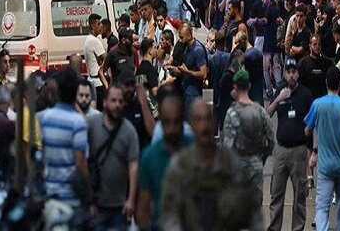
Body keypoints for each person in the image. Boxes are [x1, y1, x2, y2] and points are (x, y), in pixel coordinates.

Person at [161, 100, 261, 231]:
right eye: (198, 119)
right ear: (191, 124)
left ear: (214, 122)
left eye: (208, 119)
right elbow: (169, 215)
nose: (204, 126)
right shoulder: (179, 165)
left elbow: (252, 213)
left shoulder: (232, 163)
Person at [304, 66, 340, 231]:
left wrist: (314, 150)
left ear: (326, 82)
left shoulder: (317, 105)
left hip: (325, 167)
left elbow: (307, 129)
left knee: (322, 207)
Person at [266, 58, 312, 231]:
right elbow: (267, 114)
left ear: (298, 74)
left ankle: (297, 228)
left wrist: (312, 150)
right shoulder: (280, 91)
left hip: (299, 151)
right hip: (280, 150)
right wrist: (278, 98)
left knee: (300, 195)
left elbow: (312, 122)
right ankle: (274, 228)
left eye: (294, 72)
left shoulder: (305, 94)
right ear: (284, 74)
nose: (291, 75)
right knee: (276, 194)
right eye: (288, 72)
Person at [137, 95, 193, 231]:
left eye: (176, 122)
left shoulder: (195, 149)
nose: (172, 128)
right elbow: (143, 208)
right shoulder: (149, 157)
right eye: (167, 122)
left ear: (183, 122)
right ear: (161, 122)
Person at [87, 84, 139, 228]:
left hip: (119, 205)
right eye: (113, 100)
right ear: (104, 102)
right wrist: (89, 200)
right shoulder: (92, 125)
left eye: (120, 101)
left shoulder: (129, 131)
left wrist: (131, 200)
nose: (117, 105)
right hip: (97, 204)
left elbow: (133, 166)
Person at [38, 67, 91, 208]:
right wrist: (89, 197)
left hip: (50, 197)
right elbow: (81, 164)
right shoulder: (78, 122)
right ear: (75, 92)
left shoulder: (45, 118)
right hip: (71, 200)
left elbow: (43, 157)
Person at [222, 69, 274, 209]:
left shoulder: (232, 113)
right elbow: (270, 141)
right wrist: (259, 159)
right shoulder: (260, 112)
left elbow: (227, 146)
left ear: (235, 87)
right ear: (249, 86)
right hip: (256, 167)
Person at [167, 22, 207, 115]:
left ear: (189, 36)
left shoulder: (198, 50)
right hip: (185, 91)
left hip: (194, 95)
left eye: (182, 37)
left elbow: (203, 74)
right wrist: (177, 70)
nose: (180, 40)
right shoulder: (186, 48)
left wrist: (187, 71)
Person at [297, 34, 333, 102]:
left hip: (324, 100)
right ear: (310, 46)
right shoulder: (303, 63)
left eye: (319, 44)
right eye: (314, 44)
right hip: (308, 100)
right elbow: (299, 84)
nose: (317, 47)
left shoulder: (328, 62)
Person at [84, 13, 108, 110]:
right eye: (98, 24)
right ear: (93, 26)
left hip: (93, 81)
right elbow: (106, 58)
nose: (101, 26)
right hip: (98, 82)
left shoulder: (89, 39)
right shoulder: (94, 41)